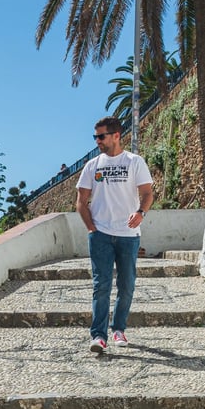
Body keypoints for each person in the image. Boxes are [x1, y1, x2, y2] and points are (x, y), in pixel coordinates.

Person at [76, 117, 153, 354]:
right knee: (101, 286)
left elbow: (148, 193)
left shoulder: (134, 162)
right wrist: (91, 228)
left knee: (127, 285)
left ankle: (118, 329)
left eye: (101, 136)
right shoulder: (92, 165)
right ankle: (99, 336)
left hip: (129, 235)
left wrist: (141, 213)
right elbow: (81, 202)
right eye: (95, 137)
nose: (97, 141)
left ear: (116, 135)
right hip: (100, 235)